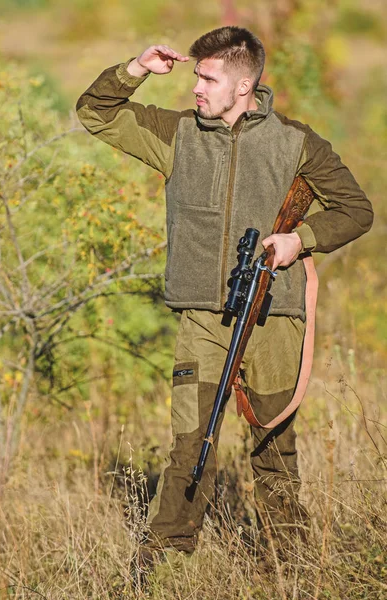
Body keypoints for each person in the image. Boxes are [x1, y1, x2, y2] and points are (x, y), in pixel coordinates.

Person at [76, 26, 373, 564]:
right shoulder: (178, 134)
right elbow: (95, 112)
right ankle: (164, 564)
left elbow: (357, 211)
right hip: (201, 320)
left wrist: (297, 241)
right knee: (191, 441)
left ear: (243, 86)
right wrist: (137, 68)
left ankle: (291, 565)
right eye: (196, 76)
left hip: (273, 316)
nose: (195, 88)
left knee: (274, 446)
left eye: (207, 79)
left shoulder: (296, 142)